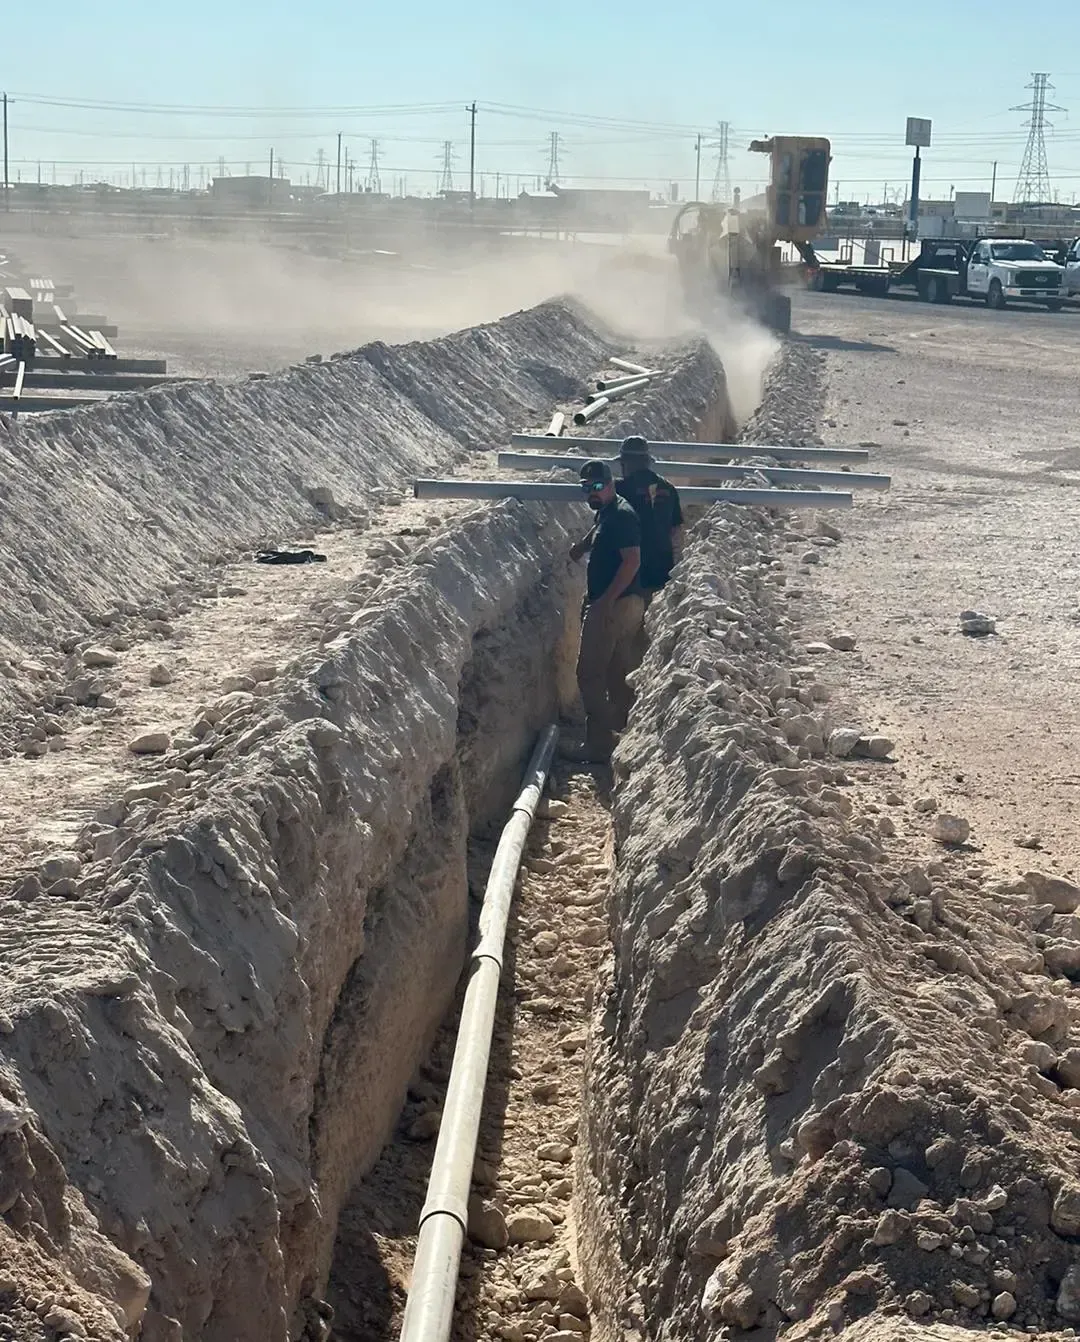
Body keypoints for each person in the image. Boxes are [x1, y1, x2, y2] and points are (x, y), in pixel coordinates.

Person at [567, 460, 645, 762]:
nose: (592, 493)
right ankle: (622, 733)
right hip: (618, 603)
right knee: (615, 671)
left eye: (597, 487)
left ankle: (599, 743)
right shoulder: (609, 511)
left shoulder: (622, 517)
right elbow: (599, 530)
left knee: (588, 674)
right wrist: (582, 546)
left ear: (610, 484)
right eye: (587, 488)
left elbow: (632, 561)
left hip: (614, 606)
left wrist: (605, 601)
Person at [615, 436, 684, 600]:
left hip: (628, 572)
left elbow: (605, 527)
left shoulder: (619, 489)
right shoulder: (668, 488)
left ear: (627, 462)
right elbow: (676, 532)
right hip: (662, 569)